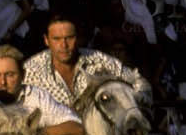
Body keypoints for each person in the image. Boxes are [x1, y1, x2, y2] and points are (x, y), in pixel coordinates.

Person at [23, 14, 151, 107]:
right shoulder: (31, 70)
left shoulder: (98, 60)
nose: (64, 45)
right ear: (46, 40)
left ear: (78, 38)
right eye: (57, 39)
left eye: (69, 38)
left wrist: (133, 104)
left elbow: (138, 81)